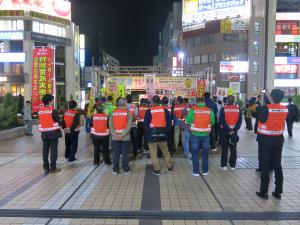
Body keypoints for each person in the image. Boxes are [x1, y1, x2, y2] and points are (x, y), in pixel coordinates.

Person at [256, 89, 288, 200]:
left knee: (265, 166)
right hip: (278, 139)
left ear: (271, 97)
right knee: (277, 165)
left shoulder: (266, 108)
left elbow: (261, 118)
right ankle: (278, 191)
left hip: (266, 140)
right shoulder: (285, 109)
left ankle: (263, 192)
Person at [144, 95, 173, 175]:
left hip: (152, 137)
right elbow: (169, 123)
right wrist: (165, 132)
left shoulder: (149, 111)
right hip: (163, 135)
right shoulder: (165, 110)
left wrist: (151, 132)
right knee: (166, 151)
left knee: (153, 153)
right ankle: (170, 167)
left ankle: (157, 170)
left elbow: (145, 125)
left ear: (152, 102)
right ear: (159, 102)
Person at [186, 97, 215, 176]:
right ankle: (205, 171)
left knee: (195, 154)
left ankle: (196, 172)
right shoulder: (209, 110)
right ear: (204, 102)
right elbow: (212, 122)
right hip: (206, 135)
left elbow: (188, 121)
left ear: (196, 102)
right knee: (205, 154)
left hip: (195, 135)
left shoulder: (193, 110)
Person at [38, 94, 62, 174]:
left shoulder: (40, 111)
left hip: (44, 133)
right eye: (52, 100)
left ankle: (46, 167)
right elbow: (58, 121)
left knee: (45, 150)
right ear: (50, 101)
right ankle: (53, 167)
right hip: (53, 133)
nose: (53, 101)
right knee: (53, 150)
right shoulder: (53, 110)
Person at [219, 95, 242, 170]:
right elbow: (239, 121)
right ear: (234, 101)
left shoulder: (223, 109)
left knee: (224, 149)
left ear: (227, 101)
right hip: (234, 132)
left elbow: (222, 121)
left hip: (224, 132)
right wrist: (234, 130)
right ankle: (232, 166)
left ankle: (224, 166)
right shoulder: (238, 109)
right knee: (233, 149)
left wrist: (228, 130)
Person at [109, 98, 132, 175]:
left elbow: (110, 125)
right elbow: (128, 127)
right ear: (125, 104)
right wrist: (122, 135)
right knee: (125, 154)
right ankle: (126, 170)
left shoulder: (113, 112)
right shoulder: (128, 113)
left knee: (116, 154)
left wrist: (115, 135)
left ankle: (115, 170)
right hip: (125, 137)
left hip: (115, 137)